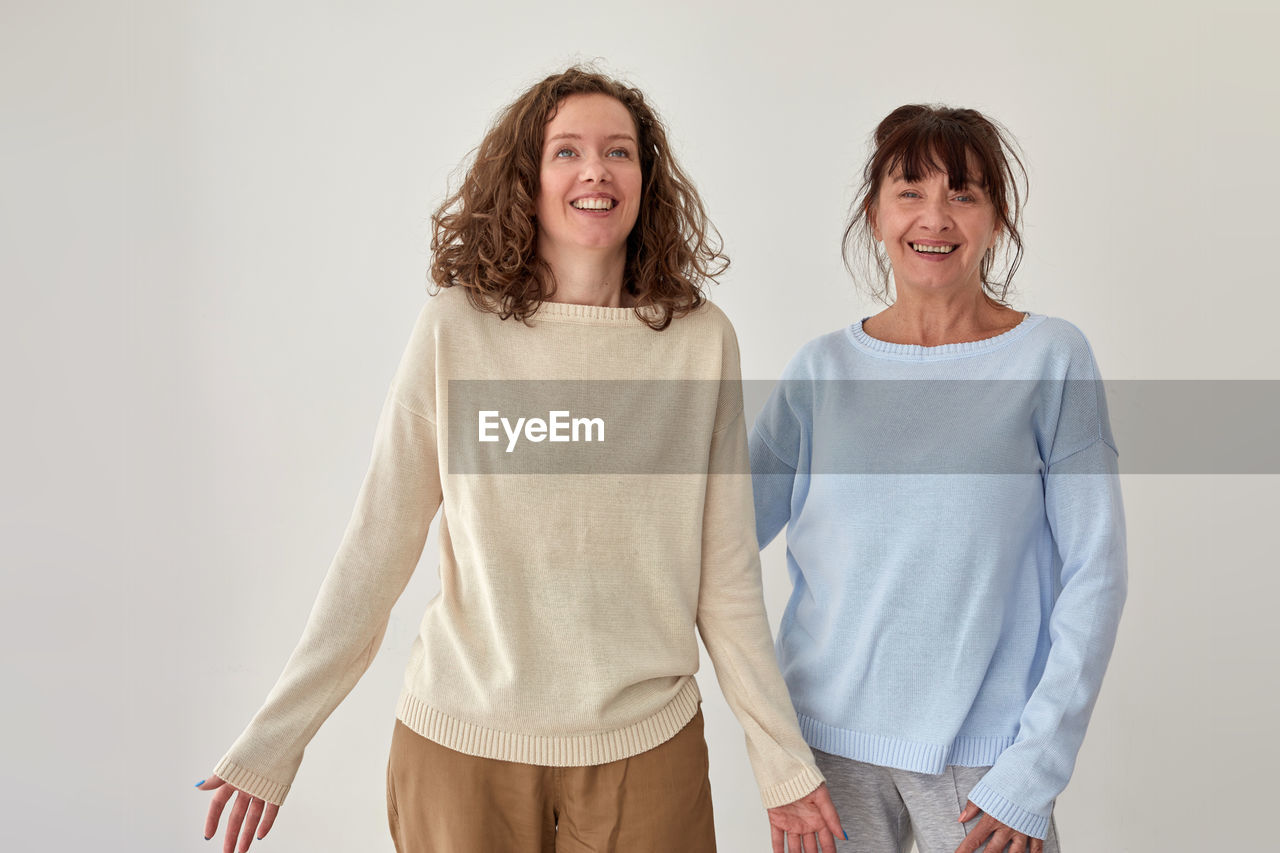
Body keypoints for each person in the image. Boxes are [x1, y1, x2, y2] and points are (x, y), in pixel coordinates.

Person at [195, 66, 844, 853]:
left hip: (648, 748)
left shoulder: (700, 341)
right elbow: (377, 547)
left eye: (619, 152)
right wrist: (276, 737)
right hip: (463, 748)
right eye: (565, 152)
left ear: (646, 179)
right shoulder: (455, 330)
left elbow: (727, 576)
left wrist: (783, 763)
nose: (595, 170)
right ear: (527, 179)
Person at [749, 105, 1126, 853]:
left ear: (996, 219)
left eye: (964, 193)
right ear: (876, 212)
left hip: (987, 768)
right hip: (825, 761)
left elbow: (1098, 574)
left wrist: (1032, 773)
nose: (936, 216)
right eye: (911, 190)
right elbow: (712, 540)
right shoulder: (820, 371)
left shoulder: (1050, 358)